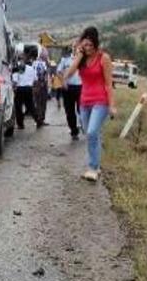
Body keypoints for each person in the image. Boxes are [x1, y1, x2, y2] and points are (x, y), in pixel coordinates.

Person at [63, 27, 116, 182]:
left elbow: (108, 84)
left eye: (90, 46)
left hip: (101, 101)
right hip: (84, 101)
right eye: (85, 46)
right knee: (90, 134)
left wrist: (112, 105)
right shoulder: (81, 59)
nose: (88, 49)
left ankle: (92, 167)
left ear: (96, 44)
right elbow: (68, 74)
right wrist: (79, 56)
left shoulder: (103, 58)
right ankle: (96, 165)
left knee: (92, 132)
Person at [57, 47, 83, 140]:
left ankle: (84, 124)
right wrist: (63, 81)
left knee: (82, 109)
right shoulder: (65, 60)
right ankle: (74, 131)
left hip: (81, 87)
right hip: (68, 87)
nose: (77, 49)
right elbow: (59, 72)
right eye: (75, 47)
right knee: (69, 110)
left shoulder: (84, 60)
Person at [12, 55, 41, 130]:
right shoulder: (31, 68)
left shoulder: (16, 68)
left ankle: (20, 124)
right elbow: (36, 79)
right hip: (28, 89)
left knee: (18, 107)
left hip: (20, 89)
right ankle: (37, 119)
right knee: (31, 106)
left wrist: (13, 88)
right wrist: (35, 88)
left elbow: (15, 81)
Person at [32, 48, 50, 125]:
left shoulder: (34, 63)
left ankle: (39, 119)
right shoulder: (41, 63)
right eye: (46, 54)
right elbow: (41, 74)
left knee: (38, 102)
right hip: (40, 85)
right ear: (42, 54)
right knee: (41, 102)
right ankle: (40, 119)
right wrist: (43, 82)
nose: (47, 55)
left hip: (35, 84)